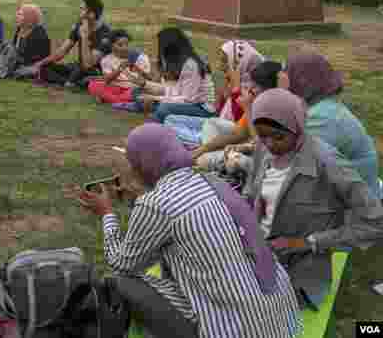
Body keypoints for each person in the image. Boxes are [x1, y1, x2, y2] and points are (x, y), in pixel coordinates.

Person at [76, 124, 301, 338]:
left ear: (141, 164)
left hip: (236, 329)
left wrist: (106, 214)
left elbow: (122, 263)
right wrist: (138, 201)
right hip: (279, 320)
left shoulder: (156, 203)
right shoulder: (213, 181)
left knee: (118, 282)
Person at [244, 89, 383, 309]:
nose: (270, 144)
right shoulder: (264, 150)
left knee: (244, 306)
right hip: (260, 251)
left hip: (301, 271)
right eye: (262, 136)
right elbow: (251, 193)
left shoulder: (327, 163)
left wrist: (307, 242)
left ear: (298, 127)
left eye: (279, 137)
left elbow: (376, 222)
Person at [284, 51, 381, 201]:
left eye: (288, 78)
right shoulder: (324, 107)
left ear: (302, 80)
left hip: (360, 209)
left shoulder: (321, 117)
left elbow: (292, 166)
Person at [191, 60, 282, 176]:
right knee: (212, 124)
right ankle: (217, 158)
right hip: (248, 146)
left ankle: (216, 160)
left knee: (219, 159)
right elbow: (238, 133)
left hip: (266, 164)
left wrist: (248, 109)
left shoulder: (280, 109)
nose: (251, 89)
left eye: (256, 85)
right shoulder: (257, 99)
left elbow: (262, 149)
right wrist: (202, 150)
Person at [132, 27, 215, 123]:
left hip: (201, 108)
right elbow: (173, 91)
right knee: (138, 92)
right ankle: (155, 110)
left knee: (164, 108)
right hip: (184, 101)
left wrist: (155, 99)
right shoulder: (180, 63)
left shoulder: (191, 65)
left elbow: (188, 100)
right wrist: (144, 84)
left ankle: (155, 116)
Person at [35, 0, 113, 88]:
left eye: (82, 9)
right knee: (45, 68)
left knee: (81, 70)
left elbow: (89, 63)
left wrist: (84, 37)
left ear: (91, 14)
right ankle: (70, 83)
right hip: (78, 67)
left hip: (95, 70)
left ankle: (72, 82)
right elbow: (62, 52)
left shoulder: (105, 34)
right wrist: (41, 63)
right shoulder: (79, 25)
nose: (79, 12)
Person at [0, 3, 50, 80]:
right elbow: (14, 46)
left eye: (20, 15)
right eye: (18, 14)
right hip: (17, 61)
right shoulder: (20, 29)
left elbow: (32, 57)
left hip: (30, 64)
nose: (17, 17)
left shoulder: (39, 33)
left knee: (22, 67)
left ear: (30, 17)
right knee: (6, 45)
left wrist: (13, 58)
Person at [87, 29, 152, 105]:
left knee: (141, 90)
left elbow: (150, 78)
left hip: (133, 87)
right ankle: (122, 100)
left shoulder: (139, 57)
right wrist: (119, 69)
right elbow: (107, 79)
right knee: (93, 85)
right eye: (120, 45)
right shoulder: (106, 60)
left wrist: (137, 68)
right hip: (116, 86)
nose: (124, 48)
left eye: (127, 45)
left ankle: (109, 98)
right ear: (111, 45)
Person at [215, 40, 264, 122]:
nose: (219, 66)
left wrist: (236, 89)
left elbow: (237, 120)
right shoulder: (237, 82)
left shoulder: (254, 90)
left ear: (240, 63)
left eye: (224, 61)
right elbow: (219, 113)